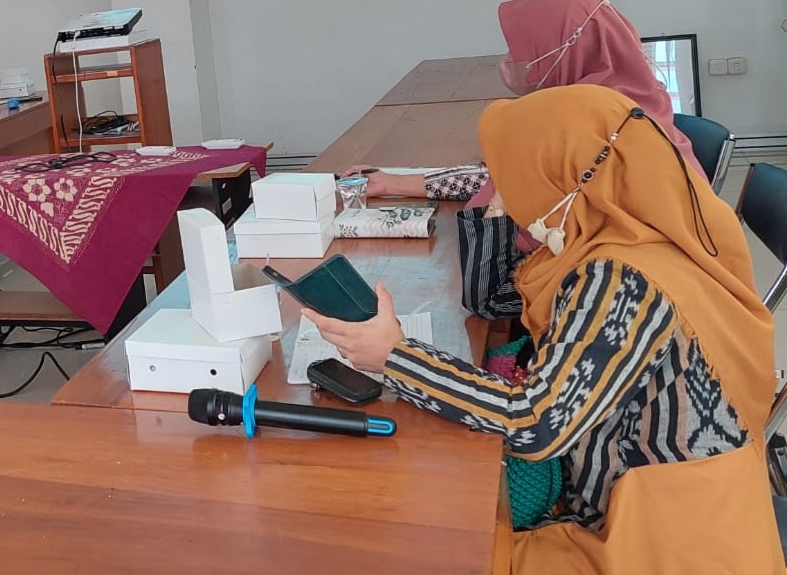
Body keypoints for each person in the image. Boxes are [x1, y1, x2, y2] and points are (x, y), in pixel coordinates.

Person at [308, 85, 781, 572]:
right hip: (679, 505)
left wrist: (396, 357)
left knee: (420, 541)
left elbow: (535, 424)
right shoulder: (643, 227)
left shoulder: (619, 279)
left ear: (567, 182)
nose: (504, 193)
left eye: (511, 175)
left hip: (661, 541)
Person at [342, 0, 704, 317]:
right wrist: (394, 183)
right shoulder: (631, 103)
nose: (509, 59)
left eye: (522, 50)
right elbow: (502, 178)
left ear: (564, 53)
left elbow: (489, 296)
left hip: (611, 308)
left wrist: (503, 179)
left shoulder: (580, 135)